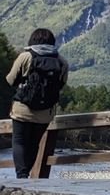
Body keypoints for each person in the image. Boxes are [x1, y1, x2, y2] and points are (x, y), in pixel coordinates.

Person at [5, 28, 68, 178]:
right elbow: (61, 84)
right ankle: (25, 174)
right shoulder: (61, 61)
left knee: (19, 141)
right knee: (34, 144)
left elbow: (10, 79)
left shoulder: (25, 56)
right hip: (45, 113)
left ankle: (22, 176)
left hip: (22, 109)